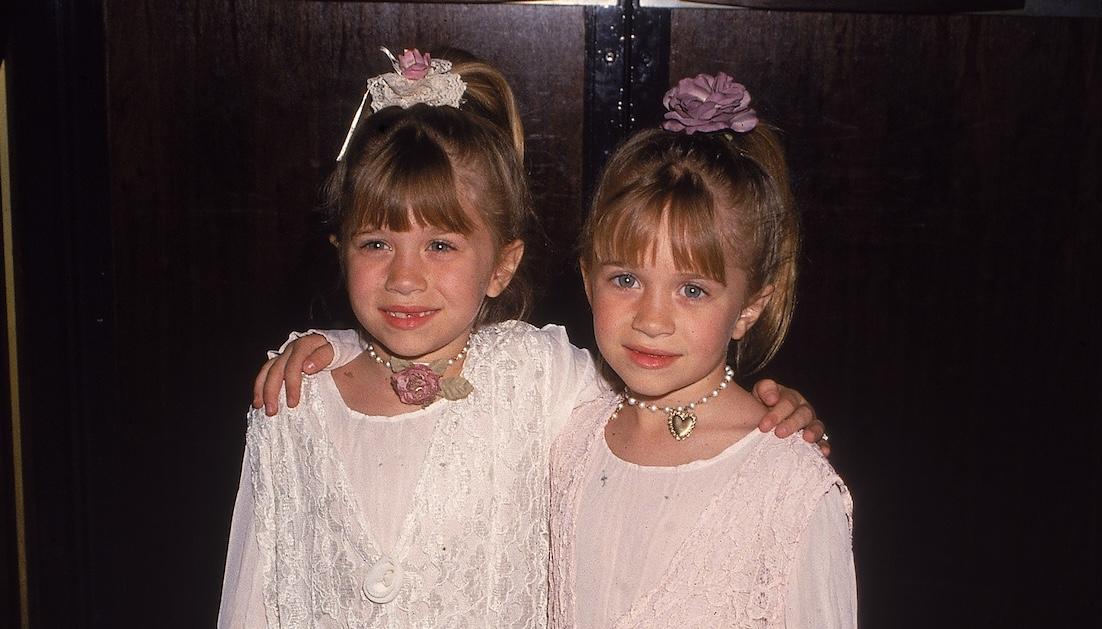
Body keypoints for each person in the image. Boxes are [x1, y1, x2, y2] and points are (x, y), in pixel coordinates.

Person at [220, 49, 823, 627]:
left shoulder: (534, 373)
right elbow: (252, 593)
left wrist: (764, 407)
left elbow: (659, 385)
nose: (404, 279)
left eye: (440, 245)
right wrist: (340, 343)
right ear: (341, 253)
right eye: (376, 244)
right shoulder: (294, 400)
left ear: (502, 267)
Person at [548, 73, 855, 627]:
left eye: (692, 290)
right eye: (625, 280)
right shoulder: (564, 429)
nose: (651, 319)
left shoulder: (788, 486)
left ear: (749, 308)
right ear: (588, 279)